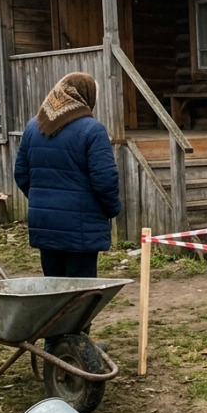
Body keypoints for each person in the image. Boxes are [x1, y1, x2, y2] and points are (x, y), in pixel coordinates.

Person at [14, 72, 121, 278]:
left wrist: (43, 200)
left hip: (45, 224)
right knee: (81, 296)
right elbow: (105, 180)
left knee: (55, 293)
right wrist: (112, 208)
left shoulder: (33, 127)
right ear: (85, 97)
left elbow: (21, 173)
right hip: (80, 228)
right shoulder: (93, 130)